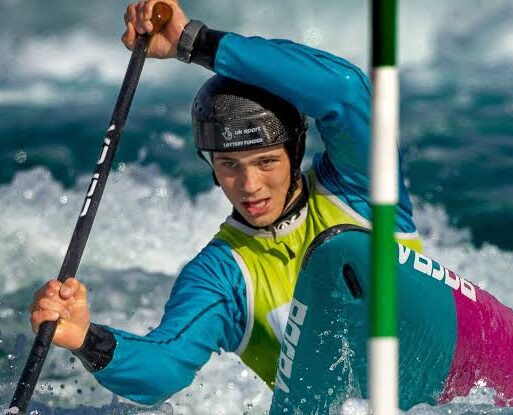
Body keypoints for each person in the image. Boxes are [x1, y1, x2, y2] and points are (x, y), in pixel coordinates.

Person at [29, 0, 423, 406]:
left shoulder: (362, 189)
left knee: (342, 247)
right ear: (212, 167)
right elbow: (166, 365)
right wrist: (85, 338)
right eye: (229, 165)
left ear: (296, 152)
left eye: (266, 162)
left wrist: (193, 42)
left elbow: (344, 89)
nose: (249, 185)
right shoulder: (222, 276)